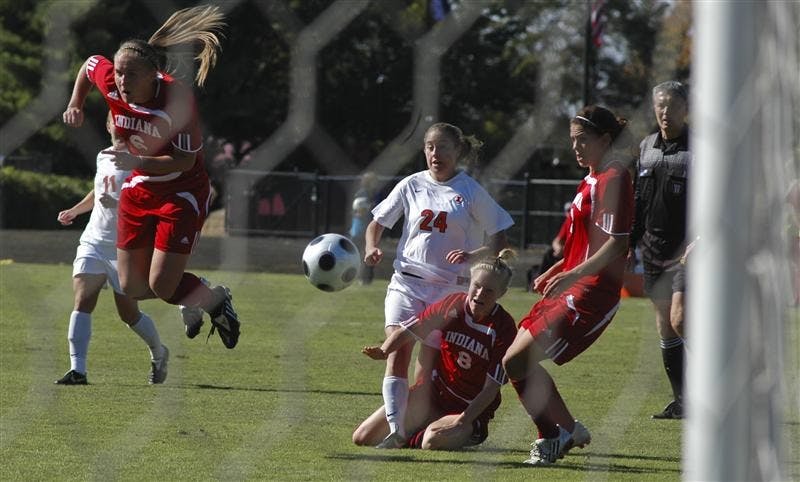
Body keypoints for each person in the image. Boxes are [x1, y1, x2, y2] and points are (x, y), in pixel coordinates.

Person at [61, 6, 240, 348]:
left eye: (132, 75)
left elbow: (185, 162)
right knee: (131, 288)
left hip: (181, 193)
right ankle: (207, 297)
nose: (122, 81)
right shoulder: (113, 81)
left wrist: (136, 159)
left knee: (161, 286)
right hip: (140, 188)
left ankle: (209, 299)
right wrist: (76, 104)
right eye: (120, 73)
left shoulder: (177, 101)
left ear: (154, 76)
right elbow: (89, 66)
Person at [363, 122, 514, 448]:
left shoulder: (470, 190)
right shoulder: (411, 185)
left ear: (457, 152)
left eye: (444, 147)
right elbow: (376, 224)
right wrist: (371, 247)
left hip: (450, 291)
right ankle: (396, 430)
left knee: (427, 371)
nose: (436, 154)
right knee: (398, 349)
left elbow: (500, 234)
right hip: (408, 283)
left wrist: (474, 254)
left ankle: (427, 425)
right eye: (431, 147)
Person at [502, 105, 633, 465]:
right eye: (572, 141)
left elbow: (617, 242)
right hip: (572, 286)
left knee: (515, 360)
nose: (575, 148)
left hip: (592, 293)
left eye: (583, 141)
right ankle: (567, 429)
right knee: (514, 360)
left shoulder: (614, 178)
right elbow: (582, 245)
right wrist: (556, 268)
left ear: (605, 141)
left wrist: (572, 275)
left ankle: (551, 436)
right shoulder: (590, 179)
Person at [353, 249, 518, 449]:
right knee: (362, 437)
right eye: (477, 286)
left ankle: (454, 435)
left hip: (467, 409)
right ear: (470, 282)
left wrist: (463, 421)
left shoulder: (504, 327)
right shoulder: (452, 305)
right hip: (432, 396)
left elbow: (491, 388)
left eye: (489, 290)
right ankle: (415, 431)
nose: (480, 293)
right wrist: (384, 350)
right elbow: (409, 330)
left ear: (502, 293)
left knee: (431, 441)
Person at [55, 113, 169, 385]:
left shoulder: (141, 159)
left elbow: (151, 198)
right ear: (108, 125)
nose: (118, 126)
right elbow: (99, 192)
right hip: (94, 241)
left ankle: (158, 352)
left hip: (125, 248)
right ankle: (78, 370)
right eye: (114, 120)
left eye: (124, 121)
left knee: (129, 315)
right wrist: (75, 210)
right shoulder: (103, 155)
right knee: (82, 302)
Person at [630, 81, 691, 419]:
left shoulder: (700, 149)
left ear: (686, 109)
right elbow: (639, 201)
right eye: (660, 105)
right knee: (665, 326)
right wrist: (631, 242)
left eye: (672, 105)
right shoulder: (646, 147)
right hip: (652, 248)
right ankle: (683, 401)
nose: (665, 112)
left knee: (680, 318)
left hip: (689, 249)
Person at [349, 172, 379, 285]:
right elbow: (358, 211)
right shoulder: (362, 194)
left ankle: (366, 279)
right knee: (354, 255)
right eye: (373, 181)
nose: (375, 184)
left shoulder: (375, 194)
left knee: (370, 254)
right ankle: (352, 277)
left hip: (370, 230)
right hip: (359, 230)